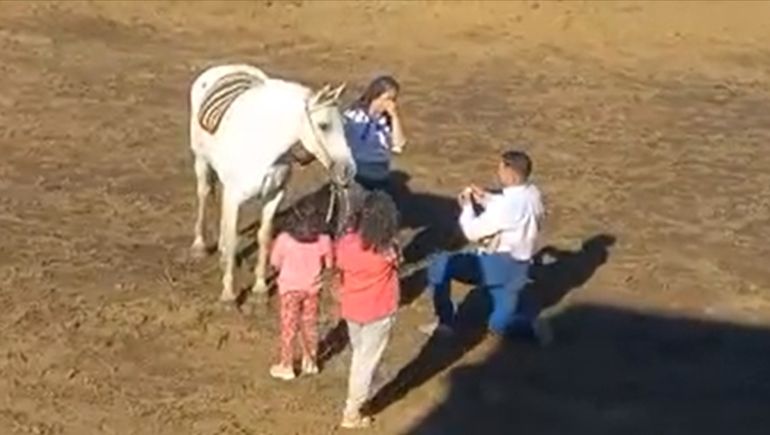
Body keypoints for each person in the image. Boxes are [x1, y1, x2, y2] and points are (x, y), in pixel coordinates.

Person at [420, 150, 552, 344]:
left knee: (440, 264)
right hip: (519, 269)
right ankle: (530, 326)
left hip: (497, 265)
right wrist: (485, 198)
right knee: (499, 324)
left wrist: (467, 207)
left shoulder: (506, 207)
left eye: (501, 169)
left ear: (511, 174)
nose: (498, 173)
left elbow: (472, 232)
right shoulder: (533, 193)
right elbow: (511, 208)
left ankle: (445, 322)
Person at [333, 191, 401, 429]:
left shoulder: (346, 243)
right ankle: (352, 412)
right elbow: (397, 260)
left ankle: (354, 402)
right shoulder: (387, 250)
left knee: (359, 352)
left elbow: (339, 264)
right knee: (366, 362)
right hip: (379, 312)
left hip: (352, 309)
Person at [269, 200, 333, 380]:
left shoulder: (284, 239)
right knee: (310, 324)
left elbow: (275, 263)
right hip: (312, 289)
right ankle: (310, 362)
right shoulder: (324, 239)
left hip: (290, 289)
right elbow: (329, 264)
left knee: (289, 326)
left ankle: (287, 365)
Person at [343, 75, 407, 191]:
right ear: (376, 96)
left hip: (379, 174)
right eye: (388, 98)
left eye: (393, 99)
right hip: (357, 172)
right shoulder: (353, 115)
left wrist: (394, 117)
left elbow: (399, 144)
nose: (391, 104)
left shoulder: (388, 121)